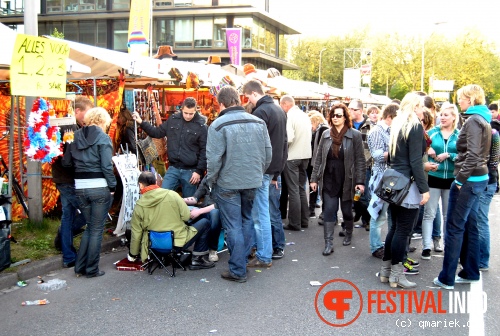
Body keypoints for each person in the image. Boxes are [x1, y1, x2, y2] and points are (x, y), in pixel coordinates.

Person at [206, 86, 272, 283]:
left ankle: (238, 269)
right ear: (238, 99)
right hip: (252, 180)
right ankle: (241, 262)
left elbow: (213, 160)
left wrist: (212, 181)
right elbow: (268, 154)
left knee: (233, 225)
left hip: (228, 182)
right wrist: (257, 172)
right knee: (246, 220)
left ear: (222, 104)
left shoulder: (217, 125)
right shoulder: (259, 122)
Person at [434, 84, 492, 290]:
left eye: (462, 98)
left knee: (454, 227)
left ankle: (447, 277)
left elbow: (474, 155)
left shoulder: (475, 120)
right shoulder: (482, 119)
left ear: (471, 99)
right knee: (469, 226)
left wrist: (459, 180)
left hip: (469, 180)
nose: (460, 101)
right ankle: (470, 271)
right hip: (478, 178)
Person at [378, 92, 430, 289]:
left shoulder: (398, 125)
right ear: (415, 106)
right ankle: (397, 276)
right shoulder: (414, 126)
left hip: (394, 182)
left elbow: (392, 157)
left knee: (394, 228)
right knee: (403, 230)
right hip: (408, 184)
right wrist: (424, 189)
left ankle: (386, 272)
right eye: (420, 106)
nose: (422, 110)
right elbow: (416, 161)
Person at [62, 107, 116, 278]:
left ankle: (80, 267)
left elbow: (66, 162)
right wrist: (113, 186)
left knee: (90, 227)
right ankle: (91, 269)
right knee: (97, 229)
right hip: (99, 186)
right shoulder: (103, 138)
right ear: (103, 121)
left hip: (80, 187)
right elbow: (107, 166)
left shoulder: (74, 136)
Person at [127, 172, 215, 270]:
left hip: (153, 245)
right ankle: (198, 259)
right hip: (176, 243)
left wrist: (133, 254)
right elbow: (186, 217)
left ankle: (161, 257)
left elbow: (136, 232)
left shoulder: (139, 205)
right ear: (156, 182)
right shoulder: (172, 195)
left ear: (140, 185)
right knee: (205, 223)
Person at [242, 80, 288, 265]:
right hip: (272, 168)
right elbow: (284, 143)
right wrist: (277, 172)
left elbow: (255, 145)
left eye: (247, 97)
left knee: (260, 215)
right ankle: (264, 252)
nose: (249, 101)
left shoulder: (261, 112)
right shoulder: (278, 110)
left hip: (261, 169)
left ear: (253, 94)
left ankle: (264, 255)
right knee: (264, 212)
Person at [310, 103, 366, 254]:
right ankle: (328, 243)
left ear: (345, 117)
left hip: (347, 179)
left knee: (347, 211)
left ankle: (348, 232)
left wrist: (360, 182)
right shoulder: (326, 134)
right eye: (333, 115)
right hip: (329, 178)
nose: (335, 118)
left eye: (339, 115)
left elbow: (360, 160)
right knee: (329, 210)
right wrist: (314, 179)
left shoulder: (354, 135)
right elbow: (318, 158)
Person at [133, 97, 207, 197]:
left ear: (196, 111)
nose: (188, 116)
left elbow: (205, 150)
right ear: (182, 109)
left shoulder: (201, 126)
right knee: (162, 197)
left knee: (189, 204)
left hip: (191, 170)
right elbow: (157, 132)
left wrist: (199, 171)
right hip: (174, 167)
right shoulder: (173, 119)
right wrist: (141, 122)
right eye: (186, 113)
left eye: (191, 114)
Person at [52, 96, 93, 268]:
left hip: (64, 178)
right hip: (67, 178)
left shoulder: (72, 126)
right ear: (77, 111)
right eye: (87, 113)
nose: (88, 117)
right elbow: (68, 158)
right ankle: (64, 245)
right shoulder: (69, 127)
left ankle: (67, 253)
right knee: (87, 213)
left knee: (68, 215)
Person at [420, 102, 459, 260]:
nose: (442, 117)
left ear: (454, 117)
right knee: (429, 213)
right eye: (441, 114)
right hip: (433, 178)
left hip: (451, 179)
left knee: (448, 215)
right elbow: (419, 149)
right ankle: (426, 246)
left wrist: (450, 155)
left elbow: (465, 155)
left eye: (446, 115)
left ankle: (445, 243)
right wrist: (427, 149)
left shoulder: (459, 134)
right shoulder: (431, 133)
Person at [367, 103, 398, 259]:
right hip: (382, 178)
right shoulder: (377, 132)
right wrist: (397, 151)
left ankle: (392, 243)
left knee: (392, 214)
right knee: (379, 214)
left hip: (392, 177)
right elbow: (378, 155)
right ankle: (376, 246)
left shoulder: (391, 130)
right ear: (389, 117)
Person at [280, 95, 312, 231]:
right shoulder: (305, 116)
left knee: (293, 190)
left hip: (292, 156)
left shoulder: (290, 116)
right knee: (300, 189)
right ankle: (304, 220)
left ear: (285, 104)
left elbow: (289, 138)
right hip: (305, 155)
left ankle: (294, 223)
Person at [476, 119, 499, 272]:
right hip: (489, 180)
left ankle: (483, 260)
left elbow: (492, 162)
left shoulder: (489, 134)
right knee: (479, 219)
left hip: (485, 181)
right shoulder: (494, 133)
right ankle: (480, 258)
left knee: (480, 219)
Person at [183, 175, 221, 262]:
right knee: (185, 209)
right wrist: (179, 199)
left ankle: (213, 249)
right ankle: (180, 245)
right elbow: (195, 199)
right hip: (204, 209)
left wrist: (199, 211)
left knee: (214, 213)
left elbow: (220, 204)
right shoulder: (207, 177)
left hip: (219, 211)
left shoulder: (225, 178)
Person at [348, 99, 372, 230]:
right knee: (352, 195)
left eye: (354, 109)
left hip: (364, 165)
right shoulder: (347, 124)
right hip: (348, 165)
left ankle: (366, 219)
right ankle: (358, 211)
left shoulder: (370, 126)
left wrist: (366, 163)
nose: (351, 111)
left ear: (361, 111)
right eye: (349, 109)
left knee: (363, 195)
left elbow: (372, 148)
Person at [307, 111, 329, 219]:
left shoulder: (323, 130)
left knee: (319, 186)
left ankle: (315, 209)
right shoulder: (323, 129)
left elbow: (320, 149)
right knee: (316, 186)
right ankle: (313, 208)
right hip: (317, 162)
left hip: (318, 162)